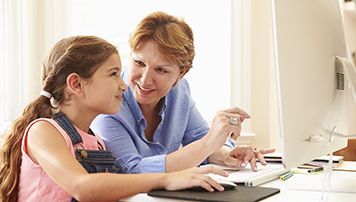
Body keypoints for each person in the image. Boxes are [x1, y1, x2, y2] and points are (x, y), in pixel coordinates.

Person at [0, 36, 230, 202]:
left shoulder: (95, 141)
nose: (123, 85)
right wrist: (167, 179)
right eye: (113, 74)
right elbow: (83, 187)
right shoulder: (44, 132)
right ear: (77, 84)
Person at [91, 11, 275, 174]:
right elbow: (132, 171)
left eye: (161, 70)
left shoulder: (179, 91)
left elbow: (199, 138)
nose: (145, 79)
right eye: (139, 63)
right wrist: (208, 143)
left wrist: (226, 154)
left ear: (181, 73)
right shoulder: (107, 101)